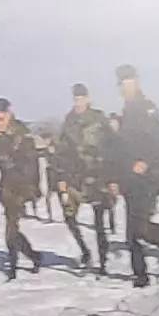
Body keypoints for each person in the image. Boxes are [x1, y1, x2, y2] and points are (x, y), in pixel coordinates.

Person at [111, 65, 159, 285]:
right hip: (129, 177)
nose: (125, 87)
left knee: (140, 227)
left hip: (148, 176)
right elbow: (121, 150)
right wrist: (116, 178)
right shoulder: (126, 111)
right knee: (131, 232)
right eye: (122, 84)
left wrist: (146, 161)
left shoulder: (146, 108)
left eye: (129, 82)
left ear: (137, 82)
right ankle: (140, 276)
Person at [47, 82, 114, 271]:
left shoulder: (99, 119)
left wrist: (111, 175)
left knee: (99, 222)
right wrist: (60, 177)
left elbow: (112, 146)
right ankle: (85, 251)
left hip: (97, 177)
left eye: (81, 99)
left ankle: (103, 261)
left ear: (88, 99)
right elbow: (61, 152)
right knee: (69, 217)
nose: (78, 103)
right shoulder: (68, 122)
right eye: (75, 99)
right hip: (73, 178)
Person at [0, 97, 42, 279]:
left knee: (11, 229)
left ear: (9, 113)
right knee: (12, 228)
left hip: (22, 186)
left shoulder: (21, 132)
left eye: (2, 117)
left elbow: (33, 162)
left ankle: (12, 269)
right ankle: (34, 256)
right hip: (6, 186)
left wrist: (35, 187)